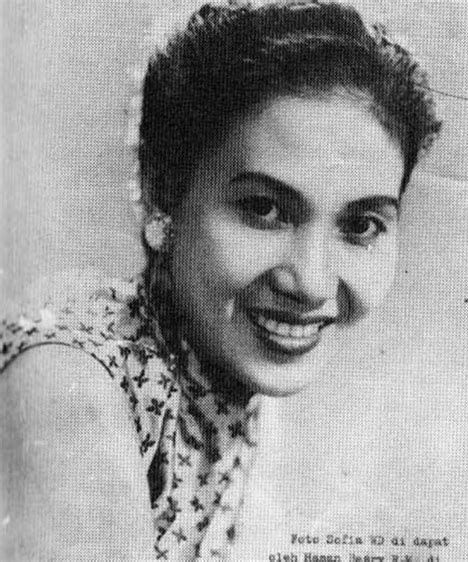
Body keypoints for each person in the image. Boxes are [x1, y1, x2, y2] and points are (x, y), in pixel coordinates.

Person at [0, 1, 441, 559]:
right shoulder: (71, 393)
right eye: (263, 209)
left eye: (360, 225)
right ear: (162, 194)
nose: (310, 282)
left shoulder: (221, 391)